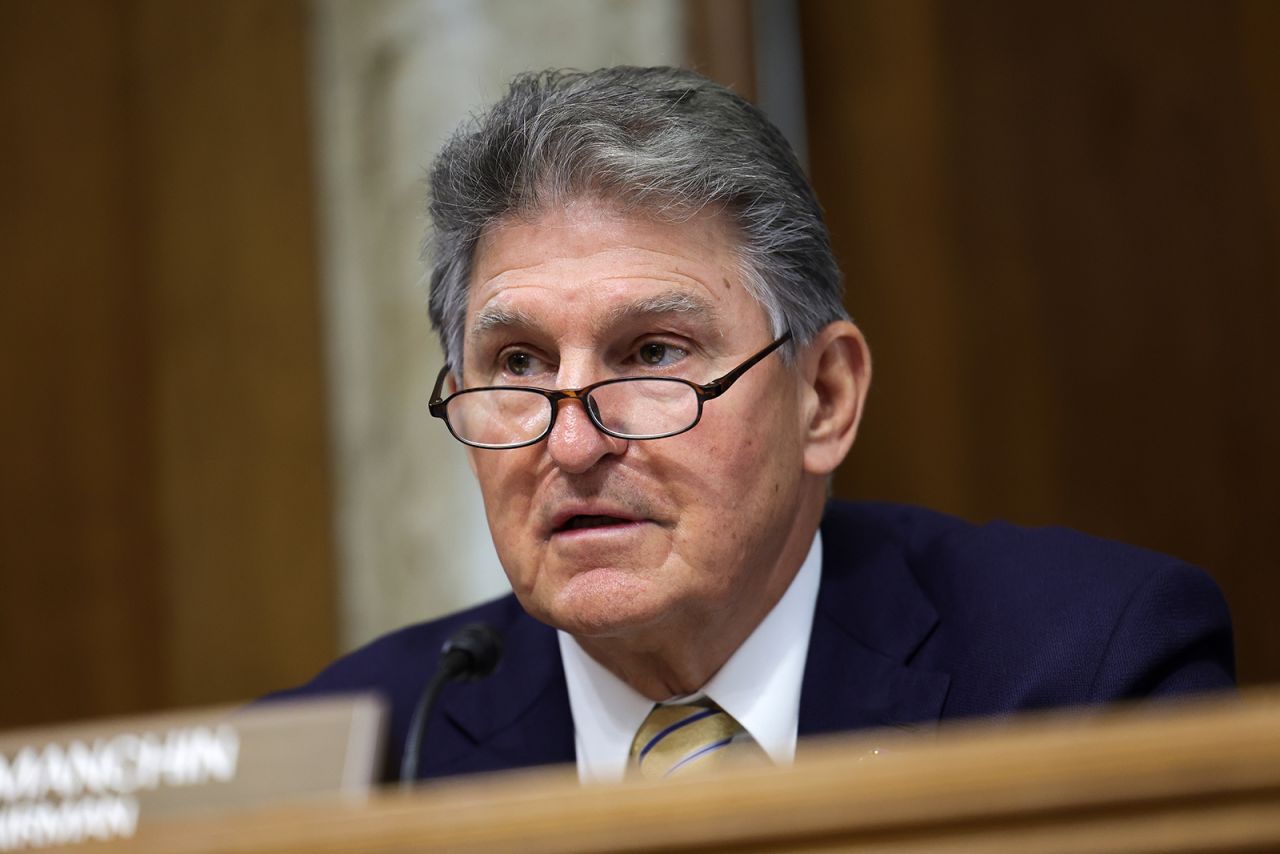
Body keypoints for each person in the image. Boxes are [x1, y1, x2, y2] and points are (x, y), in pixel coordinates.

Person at [271, 66, 1234, 784]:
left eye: (653, 355)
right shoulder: (357, 756)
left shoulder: (1082, 677)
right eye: (518, 365)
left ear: (825, 397)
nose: (571, 444)